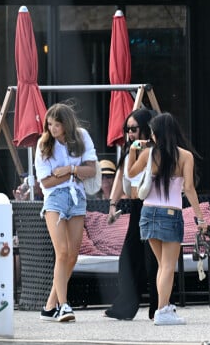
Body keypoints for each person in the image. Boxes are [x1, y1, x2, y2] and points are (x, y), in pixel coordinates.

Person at [127, 112, 206, 325]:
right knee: (168, 266)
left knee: (163, 265)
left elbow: (131, 173)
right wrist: (200, 218)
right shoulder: (185, 156)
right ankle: (162, 311)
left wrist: (133, 149)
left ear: (156, 133)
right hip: (170, 214)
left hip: (148, 212)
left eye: (152, 132)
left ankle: (164, 307)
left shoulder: (148, 154)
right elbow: (188, 188)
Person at [34, 102, 98, 323]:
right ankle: (63, 305)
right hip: (55, 199)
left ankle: (49, 306)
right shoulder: (43, 144)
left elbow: (91, 170)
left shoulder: (81, 136)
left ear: (66, 124)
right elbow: (47, 181)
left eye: (56, 125)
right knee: (61, 252)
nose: (52, 129)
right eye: (49, 124)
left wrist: (69, 170)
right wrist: (73, 174)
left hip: (77, 197)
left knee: (72, 255)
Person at [104, 108, 159, 321]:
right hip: (137, 207)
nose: (130, 134)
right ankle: (125, 306)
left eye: (134, 129)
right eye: (127, 129)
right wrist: (112, 204)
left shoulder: (155, 152)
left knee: (152, 259)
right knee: (128, 257)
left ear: (146, 128)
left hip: (153, 206)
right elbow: (122, 177)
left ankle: (158, 307)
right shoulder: (130, 151)